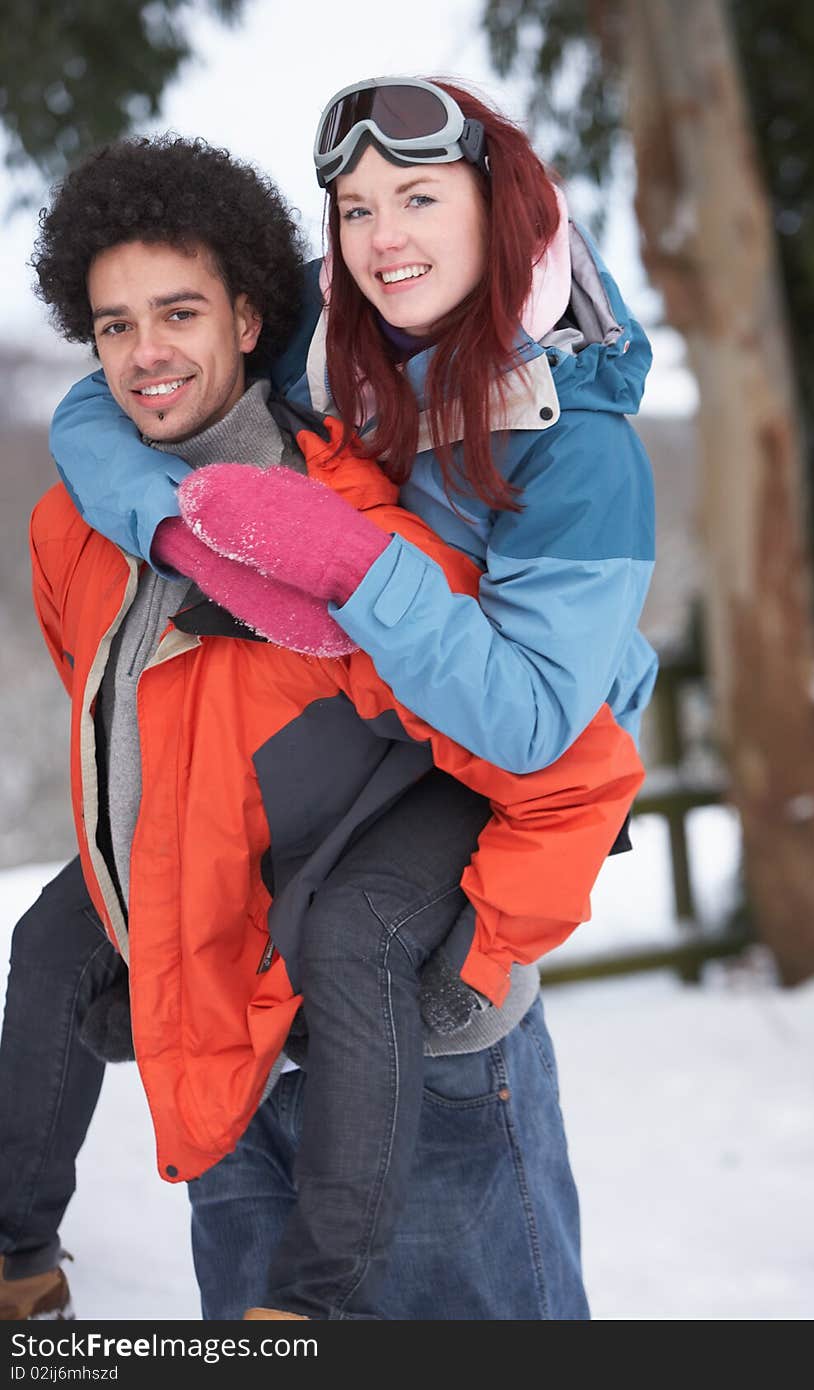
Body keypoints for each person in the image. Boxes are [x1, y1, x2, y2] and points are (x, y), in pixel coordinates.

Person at [1, 125, 649, 1321]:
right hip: (228, 1054)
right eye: (113, 325)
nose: (145, 353)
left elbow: (564, 751)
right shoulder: (72, 528)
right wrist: (149, 920)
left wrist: (483, 952)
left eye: (181, 314)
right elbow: (119, 747)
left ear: (253, 320)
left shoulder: (350, 515)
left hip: (424, 1063)